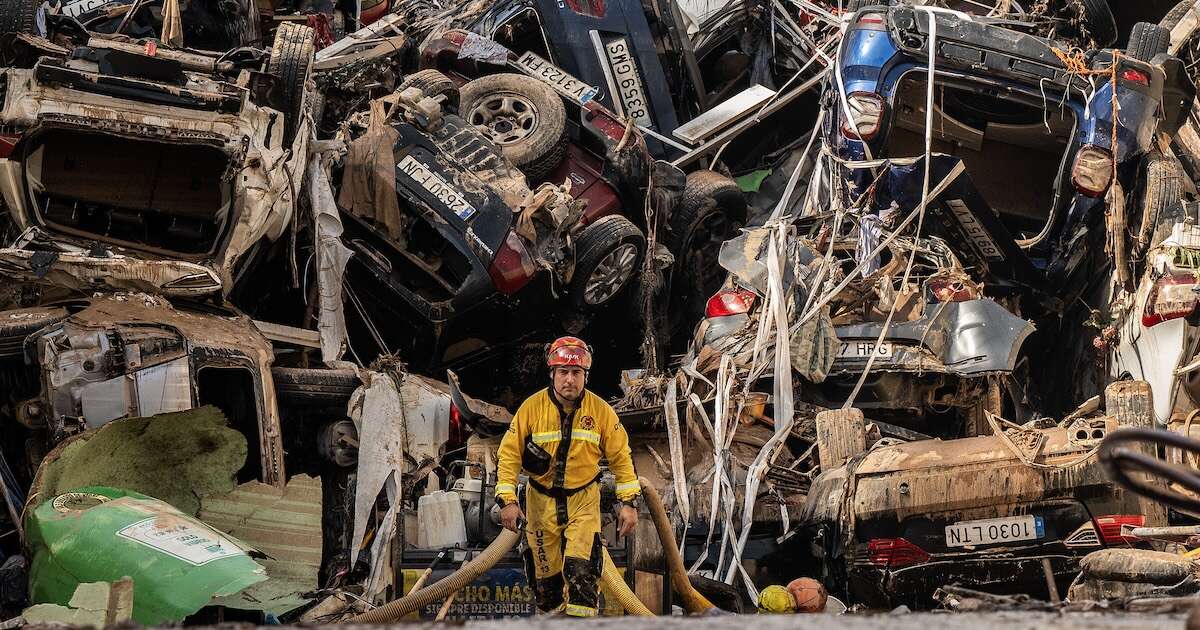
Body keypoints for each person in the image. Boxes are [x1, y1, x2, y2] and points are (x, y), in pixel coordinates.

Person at [494, 336, 641, 617]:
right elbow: (508, 456)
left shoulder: (601, 413)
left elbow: (622, 459)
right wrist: (508, 500)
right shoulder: (531, 409)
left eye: (576, 373)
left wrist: (629, 504)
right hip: (539, 504)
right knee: (545, 586)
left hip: (583, 502)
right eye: (563, 372)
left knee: (582, 574)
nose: (569, 380)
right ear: (552, 374)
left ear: (585, 375)